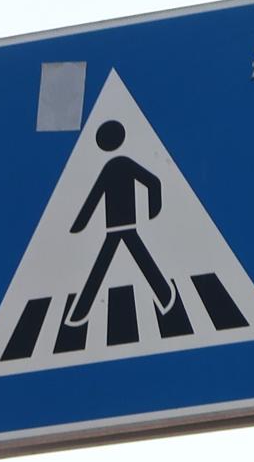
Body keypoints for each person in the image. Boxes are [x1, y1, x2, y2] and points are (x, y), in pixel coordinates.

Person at [65, 120, 175, 325]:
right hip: (119, 226)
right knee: (129, 261)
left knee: (106, 265)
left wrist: (80, 223)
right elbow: (152, 183)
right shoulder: (120, 164)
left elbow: (95, 197)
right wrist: (152, 209)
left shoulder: (117, 165)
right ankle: (165, 295)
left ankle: (81, 311)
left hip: (120, 225)